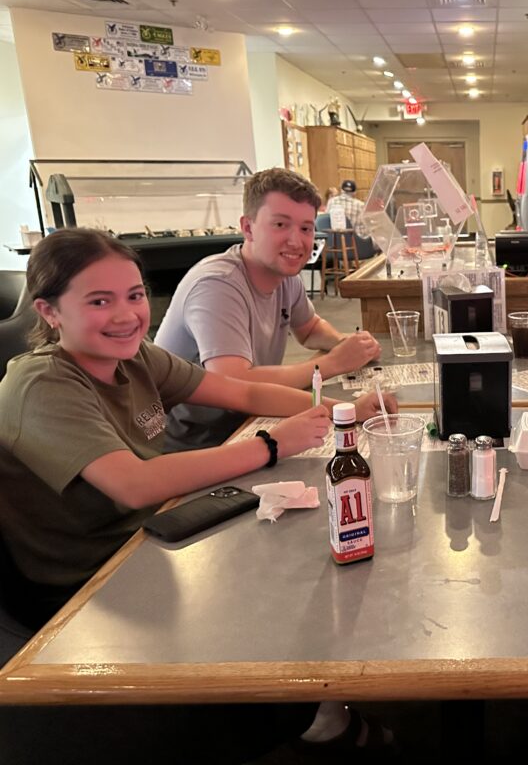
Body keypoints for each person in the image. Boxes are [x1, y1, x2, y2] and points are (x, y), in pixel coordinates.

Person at [0, 228, 397, 762]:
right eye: (99, 301)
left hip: (151, 536)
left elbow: (243, 391)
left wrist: (340, 411)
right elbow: (134, 484)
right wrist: (270, 444)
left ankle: (314, 701)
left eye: (135, 295)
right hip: (88, 580)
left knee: (303, 552)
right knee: (280, 581)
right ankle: (310, 714)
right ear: (49, 312)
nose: (126, 315)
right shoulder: (42, 384)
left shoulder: (136, 358)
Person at [155, 167, 382, 450]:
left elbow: (310, 328)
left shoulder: (285, 276)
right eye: (280, 225)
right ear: (248, 227)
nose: (296, 241)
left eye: (306, 228)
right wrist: (334, 364)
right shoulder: (217, 285)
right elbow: (236, 383)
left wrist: (343, 343)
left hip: (247, 423)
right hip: (195, 447)